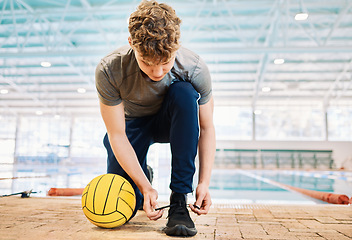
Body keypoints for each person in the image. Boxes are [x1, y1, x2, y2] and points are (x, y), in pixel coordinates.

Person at [95, 0, 215, 237]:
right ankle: (143, 174)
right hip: (133, 125)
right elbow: (116, 134)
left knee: (184, 93)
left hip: (171, 122)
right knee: (125, 206)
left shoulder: (194, 67)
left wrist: (203, 183)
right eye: (147, 64)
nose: (157, 73)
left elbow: (207, 128)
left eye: (164, 63)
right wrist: (144, 186)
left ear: (177, 47)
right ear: (131, 44)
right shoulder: (109, 69)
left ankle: (179, 199)